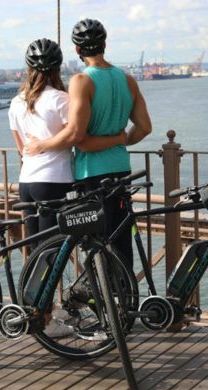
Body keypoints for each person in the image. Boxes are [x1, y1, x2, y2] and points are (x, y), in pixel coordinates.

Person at [25, 19, 152, 267]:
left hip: (92, 174)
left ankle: (104, 301)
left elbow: (76, 136)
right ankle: (126, 299)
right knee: (121, 237)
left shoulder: (82, 81)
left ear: (77, 50)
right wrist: (120, 139)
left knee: (97, 241)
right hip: (121, 169)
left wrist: (41, 146)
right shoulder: (128, 80)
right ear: (104, 44)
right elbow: (145, 127)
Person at [9, 38, 126, 243]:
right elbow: (74, 136)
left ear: (28, 68)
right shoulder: (60, 98)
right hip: (54, 181)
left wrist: (38, 146)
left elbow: (22, 148)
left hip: (26, 182)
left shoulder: (16, 102)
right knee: (51, 248)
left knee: (36, 250)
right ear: (57, 68)